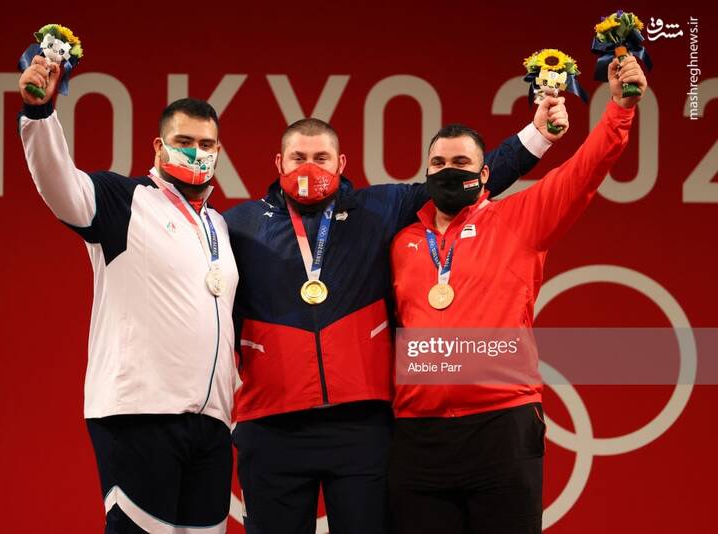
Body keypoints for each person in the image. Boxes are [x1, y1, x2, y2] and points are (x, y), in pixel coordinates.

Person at [224, 94, 569, 532]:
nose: (309, 168)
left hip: (361, 425)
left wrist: (538, 135)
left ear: (341, 163)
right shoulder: (238, 225)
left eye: (321, 158)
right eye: (298, 158)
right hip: (272, 423)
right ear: (279, 162)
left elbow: (463, 182)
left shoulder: (378, 209)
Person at [388, 56, 647, 533]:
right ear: (425, 173)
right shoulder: (401, 240)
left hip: (501, 425)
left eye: (461, 163)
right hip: (417, 434)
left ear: (486, 174)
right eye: (438, 164)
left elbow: (585, 170)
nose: (448, 172)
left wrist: (620, 110)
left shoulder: (518, 220)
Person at [18, 55, 238, 533]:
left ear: (219, 151)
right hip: (140, 414)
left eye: (206, 145)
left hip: (211, 425)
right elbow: (60, 184)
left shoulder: (219, 226)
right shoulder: (124, 200)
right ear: (159, 146)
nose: (196, 153)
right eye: (184, 142)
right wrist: (39, 114)